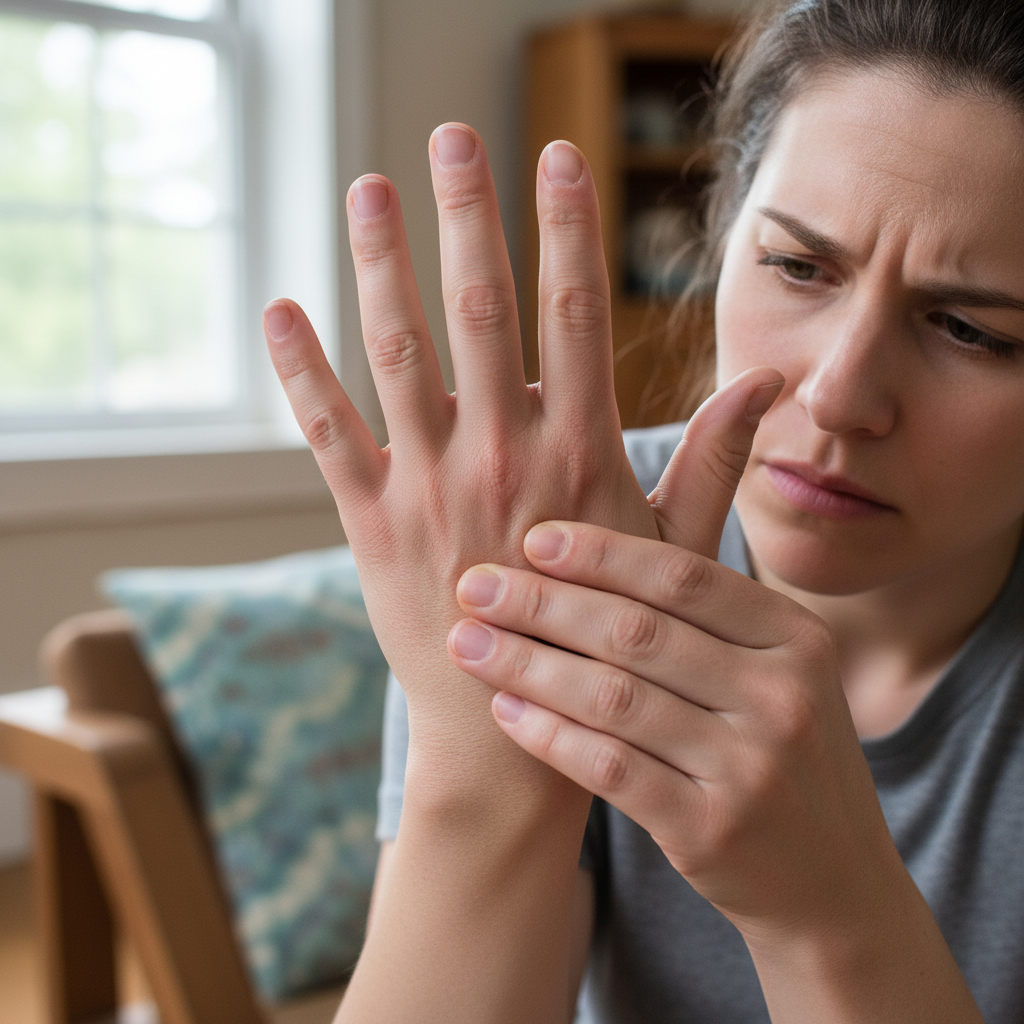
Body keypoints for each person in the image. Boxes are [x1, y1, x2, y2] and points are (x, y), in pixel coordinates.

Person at [262, 0, 1024, 1019]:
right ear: (723, 236)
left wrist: (832, 914)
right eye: (799, 266)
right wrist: (489, 763)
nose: (839, 395)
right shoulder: (544, 525)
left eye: (971, 330)